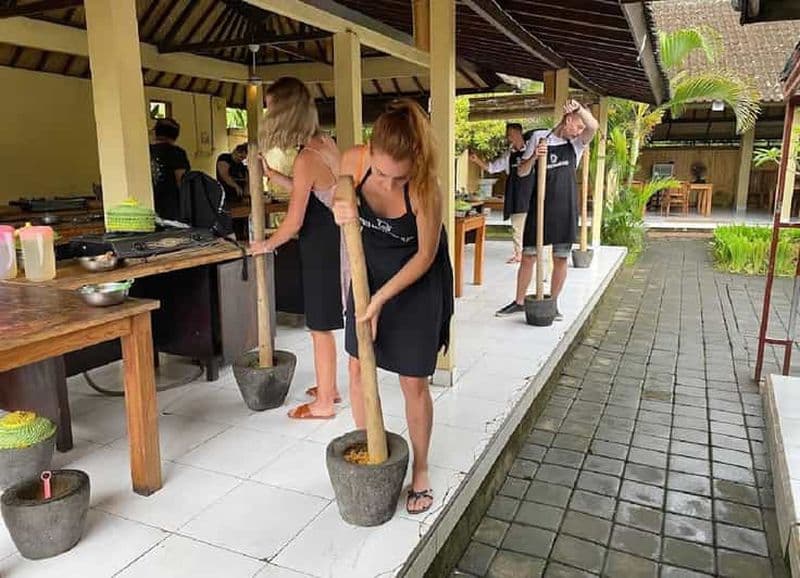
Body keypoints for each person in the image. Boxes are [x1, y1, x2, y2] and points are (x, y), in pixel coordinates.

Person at [334, 99, 454, 515]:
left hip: (415, 282)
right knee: (355, 365)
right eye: (380, 172)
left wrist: (383, 299)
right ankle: (372, 454)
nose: (385, 182)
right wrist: (340, 203)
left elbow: (425, 255)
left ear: (416, 160)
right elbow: (338, 193)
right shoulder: (354, 159)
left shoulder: (425, 186)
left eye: (395, 176)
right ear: (370, 148)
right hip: (369, 275)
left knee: (412, 381)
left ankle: (420, 470)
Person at [250, 77, 343, 420]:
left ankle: (323, 406)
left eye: (271, 107)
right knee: (324, 325)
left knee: (320, 326)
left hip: (322, 247)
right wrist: (274, 176)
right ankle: (329, 388)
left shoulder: (307, 157)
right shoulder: (324, 144)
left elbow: (294, 222)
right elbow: (314, 192)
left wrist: (265, 245)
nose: (268, 113)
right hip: (332, 241)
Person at [496, 99, 598, 319]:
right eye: (577, 126)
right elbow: (522, 172)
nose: (580, 131)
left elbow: (593, 127)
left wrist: (579, 108)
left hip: (565, 210)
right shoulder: (539, 138)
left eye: (582, 129)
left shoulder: (577, 145)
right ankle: (519, 301)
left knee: (560, 258)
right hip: (539, 207)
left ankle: (553, 302)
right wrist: (535, 156)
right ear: (568, 121)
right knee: (528, 256)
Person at [469, 123, 536, 263]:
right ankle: (519, 255)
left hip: (532, 195)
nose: (509, 138)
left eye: (510, 134)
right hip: (517, 195)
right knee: (517, 227)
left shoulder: (532, 150)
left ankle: (533, 254)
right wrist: (477, 161)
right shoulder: (508, 156)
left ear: (519, 133)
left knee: (533, 226)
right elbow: (492, 168)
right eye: (508, 135)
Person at [150, 117, 191, 221]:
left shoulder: (145, 150)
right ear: (176, 136)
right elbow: (181, 181)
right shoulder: (177, 153)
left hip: (147, 207)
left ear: (155, 132)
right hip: (171, 210)